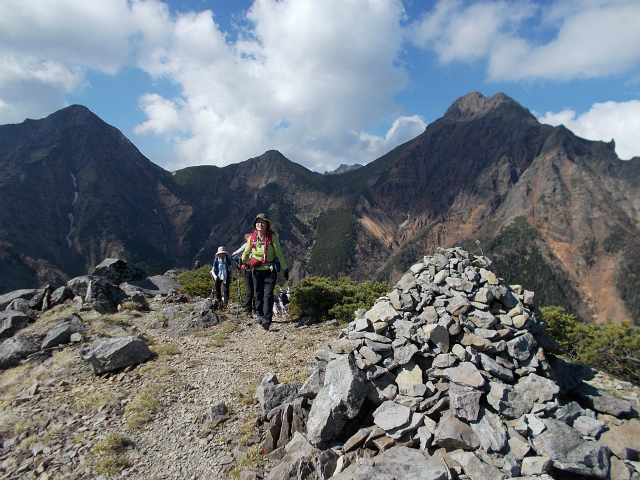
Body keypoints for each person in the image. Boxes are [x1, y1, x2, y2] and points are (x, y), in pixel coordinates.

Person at [241, 213, 289, 330]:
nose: (260, 224)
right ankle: (260, 315)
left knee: (267, 295)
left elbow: (279, 254)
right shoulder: (252, 238)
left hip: (270, 271)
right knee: (258, 294)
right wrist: (242, 262)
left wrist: (285, 268)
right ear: (255, 225)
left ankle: (267, 318)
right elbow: (246, 252)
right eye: (258, 222)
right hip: (256, 271)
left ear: (267, 225)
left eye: (263, 222)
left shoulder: (272, 238)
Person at [232, 234, 254, 315]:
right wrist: (240, 260)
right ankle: (249, 308)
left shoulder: (250, 245)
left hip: (249, 270)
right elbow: (234, 254)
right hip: (249, 270)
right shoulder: (247, 246)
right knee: (251, 290)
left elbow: (234, 255)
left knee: (251, 290)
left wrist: (239, 260)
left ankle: (250, 308)